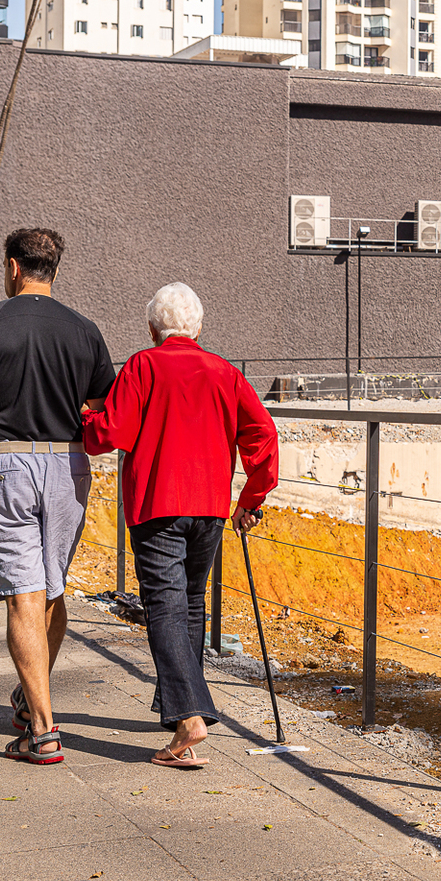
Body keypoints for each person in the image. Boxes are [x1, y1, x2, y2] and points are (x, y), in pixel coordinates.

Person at [0, 228, 116, 765]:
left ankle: (42, 730)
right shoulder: (85, 330)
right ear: (53, 268)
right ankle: (30, 697)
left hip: (7, 464)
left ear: (13, 267)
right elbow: (103, 406)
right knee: (52, 591)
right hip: (68, 467)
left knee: (24, 596)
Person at [82, 283, 278, 767]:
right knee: (190, 606)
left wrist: (83, 418)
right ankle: (185, 715)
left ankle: (189, 718)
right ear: (198, 327)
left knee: (165, 608)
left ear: (152, 329)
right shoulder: (225, 372)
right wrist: (250, 498)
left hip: (157, 505)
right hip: (210, 507)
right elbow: (264, 435)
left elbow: (109, 434)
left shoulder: (144, 366)